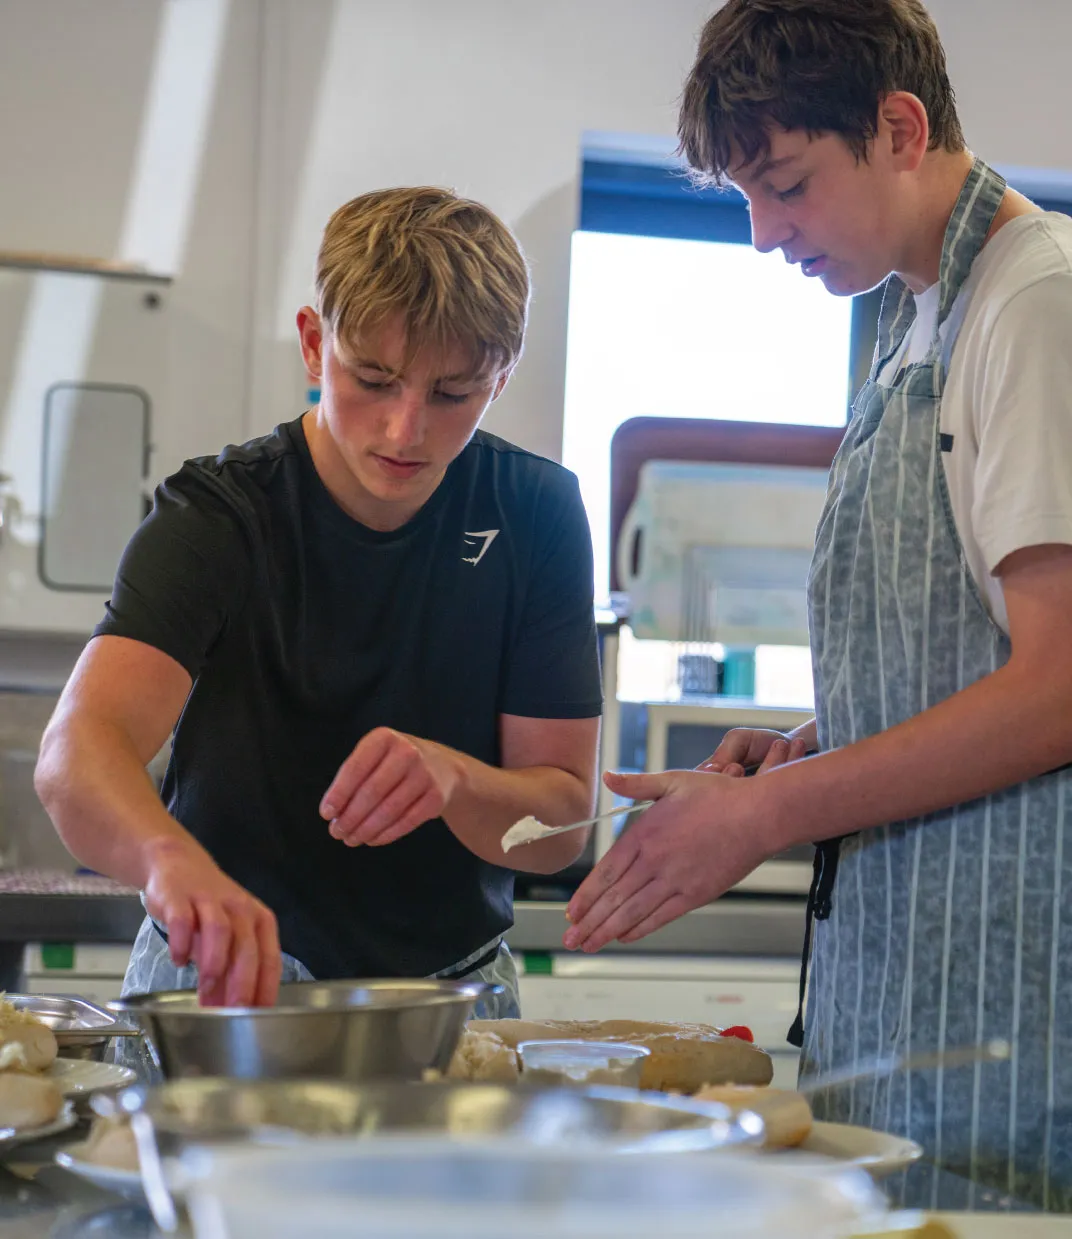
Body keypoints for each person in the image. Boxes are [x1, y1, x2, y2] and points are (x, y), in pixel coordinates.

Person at [563, 0, 1072, 1210]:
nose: (760, 234)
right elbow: (959, 656)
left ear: (899, 127)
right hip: (906, 989)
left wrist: (772, 813)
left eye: (783, 186)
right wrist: (804, 750)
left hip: (1002, 1011)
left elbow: (1057, 689)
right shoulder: (912, 324)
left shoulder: (1034, 306)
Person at [35, 186, 602, 1021]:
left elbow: (559, 828)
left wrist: (456, 779)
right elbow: (76, 753)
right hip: (221, 985)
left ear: (501, 377)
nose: (405, 430)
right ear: (313, 343)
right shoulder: (219, 513)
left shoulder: (536, 514)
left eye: (453, 395)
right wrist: (168, 860)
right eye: (373, 378)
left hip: (446, 996)